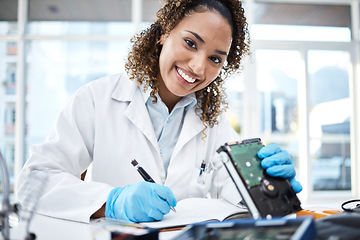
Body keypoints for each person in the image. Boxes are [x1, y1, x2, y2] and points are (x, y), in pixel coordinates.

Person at [16, 0, 302, 223]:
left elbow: (233, 191)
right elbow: (34, 182)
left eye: (215, 58)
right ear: (165, 32)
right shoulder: (97, 99)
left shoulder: (212, 121)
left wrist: (267, 185)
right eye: (191, 43)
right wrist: (111, 202)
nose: (199, 67)